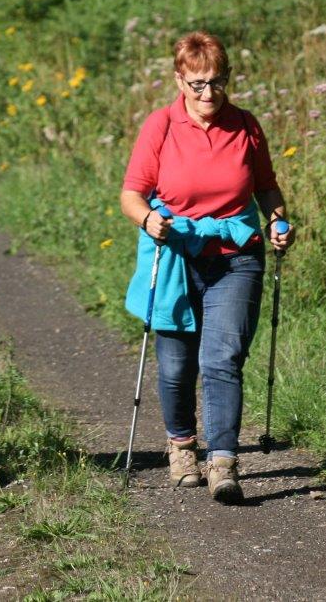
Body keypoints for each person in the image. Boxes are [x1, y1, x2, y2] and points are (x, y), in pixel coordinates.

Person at [120, 32, 295, 504]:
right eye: (197, 84)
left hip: (236, 256)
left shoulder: (246, 126)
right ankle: (181, 445)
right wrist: (150, 219)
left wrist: (279, 222)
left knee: (221, 359)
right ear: (179, 79)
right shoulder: (160, 126)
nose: (208, 94)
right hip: (175, 254)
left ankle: (223, 461)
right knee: (177, 367)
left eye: (217, 82)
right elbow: (131, 195)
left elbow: (267, 189)